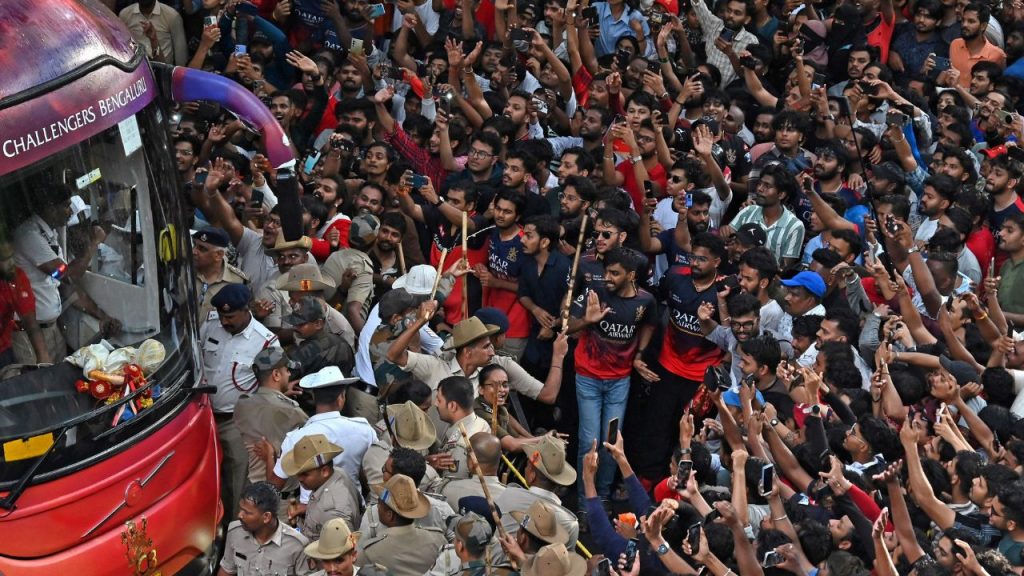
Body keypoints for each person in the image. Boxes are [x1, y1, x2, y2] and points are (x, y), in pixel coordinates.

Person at [567, 247, 656, 502]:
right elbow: (567, 326)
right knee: (589, 442)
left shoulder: (645, 301)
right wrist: (587, 320)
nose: (608, 277)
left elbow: (649, 325)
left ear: (631, 275)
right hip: (588, 378)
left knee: (611, 443)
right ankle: (585, 501)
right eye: (607, 271)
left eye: (615, 273)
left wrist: (639, 354)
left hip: (619, 382)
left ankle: (603, 497)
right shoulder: (594, 292)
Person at [201, 283, 281, 523]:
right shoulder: (210, 326)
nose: (225, 322)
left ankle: (234, 529)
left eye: (231, 317)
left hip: (236, 423)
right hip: (202, 416)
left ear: (247, 310)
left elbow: (272, 385)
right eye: (222, 316)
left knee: (237, 480)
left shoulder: (266, 342)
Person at [270, 366, 376, 496]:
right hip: (352, 504)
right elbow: (374, 470)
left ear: (314, 397)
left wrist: (268, 456)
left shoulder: (296, 437)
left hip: (311, 507)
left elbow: (273, 487)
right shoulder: (365, 430)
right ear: (341, 397)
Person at [234, 347, 308, 485]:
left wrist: (279, 395)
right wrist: (282, 399)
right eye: (287, 370)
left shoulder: (242, 404)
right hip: (281, 491)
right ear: (276, 375)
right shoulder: (291, 411)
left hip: (252, 484)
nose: (289, 374)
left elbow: (265, 407)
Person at [495, 435, 579, 548]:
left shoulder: (508, 495)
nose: (525, 469)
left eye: (527, 466)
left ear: (532, 476)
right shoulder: (570, 525)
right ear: (559, 481)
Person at [356, 474, 448, 575]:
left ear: (389, 515)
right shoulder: (437, 539)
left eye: (379, 505)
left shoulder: (370, 552)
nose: (377, 507)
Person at [218, 481, 311, 576]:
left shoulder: (297, 545)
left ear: (266, 517)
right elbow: (226, 570)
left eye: (247, 512)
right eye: (241, 509)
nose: (240, 515)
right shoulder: (235, 531)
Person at [280, 434, 362, 540]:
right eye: (298, 473)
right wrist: (309, 510)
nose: (299, 478)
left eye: (305, 474)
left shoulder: (332, 513)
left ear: (325, 471)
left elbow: (341, 548)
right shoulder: (338, 473)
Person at [429, 375, 492, 482]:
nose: (435, 404)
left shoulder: (460, 445)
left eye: (439, 400)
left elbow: (452, 485)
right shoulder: (481, 423)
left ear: (452, 406)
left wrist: (427, 468)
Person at [0, 239, 48, 367]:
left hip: (3, 351)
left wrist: (43, 357)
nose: (11, 263)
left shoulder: (15, 276)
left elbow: (30, 321)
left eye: (11, 256)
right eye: (4, 259)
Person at [283, 296, 355, 377]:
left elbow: (282, 381)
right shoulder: (344, 344)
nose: (295, 327)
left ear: (318, 324)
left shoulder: (298, 354)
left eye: (300, 324)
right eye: (294, 322)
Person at [192, 226, 249, 320]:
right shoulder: (184, 273)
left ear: (218, 255)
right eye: (194, 245)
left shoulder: (237, 280)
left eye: (202, 249)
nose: (194, 251)